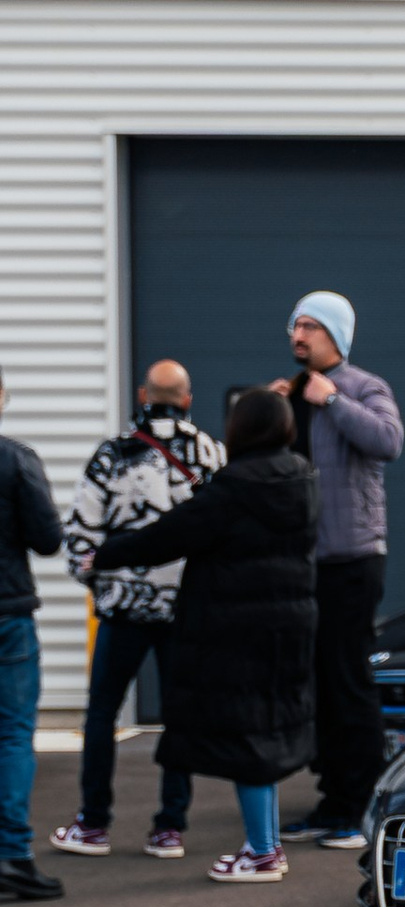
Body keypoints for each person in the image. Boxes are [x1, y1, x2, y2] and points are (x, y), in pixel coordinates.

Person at [126, 389, 320, 883]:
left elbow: (170, 535)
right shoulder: (302, 477)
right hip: (290, 621)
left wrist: (104, 555)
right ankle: (267, 846)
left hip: (237, 626)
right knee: (268, 732)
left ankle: (260, 853)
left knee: (247, 738)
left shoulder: (234, 487)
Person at [51, 359, 225, 860]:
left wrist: (98, 582)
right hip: (184, 611)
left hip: (123, 609)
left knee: (103, 711)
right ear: (187, 399)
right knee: (179, 715)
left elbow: (79, 537)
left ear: (144, 394)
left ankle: (93, 824)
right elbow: (223, 530)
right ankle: (170, 828)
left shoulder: (112, 454)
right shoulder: (211, 452)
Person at [266, 292, 402, 849]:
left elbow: (389, 442)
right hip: (305, 563)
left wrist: (334, 400)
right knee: (316, 684)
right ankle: (331, 800)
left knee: (349, 681)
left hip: (353, 561)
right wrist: (273, 410)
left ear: (336, 336)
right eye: (294, 325)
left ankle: (361, 805)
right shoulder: (290, 391)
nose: (297, 336)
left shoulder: (364, 386)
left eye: (309, 327)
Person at [0, 368, 66, 903]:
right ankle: (11, 857)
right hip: (7, 616)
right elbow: (48, 539)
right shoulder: (16, 459)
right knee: (13, 736)